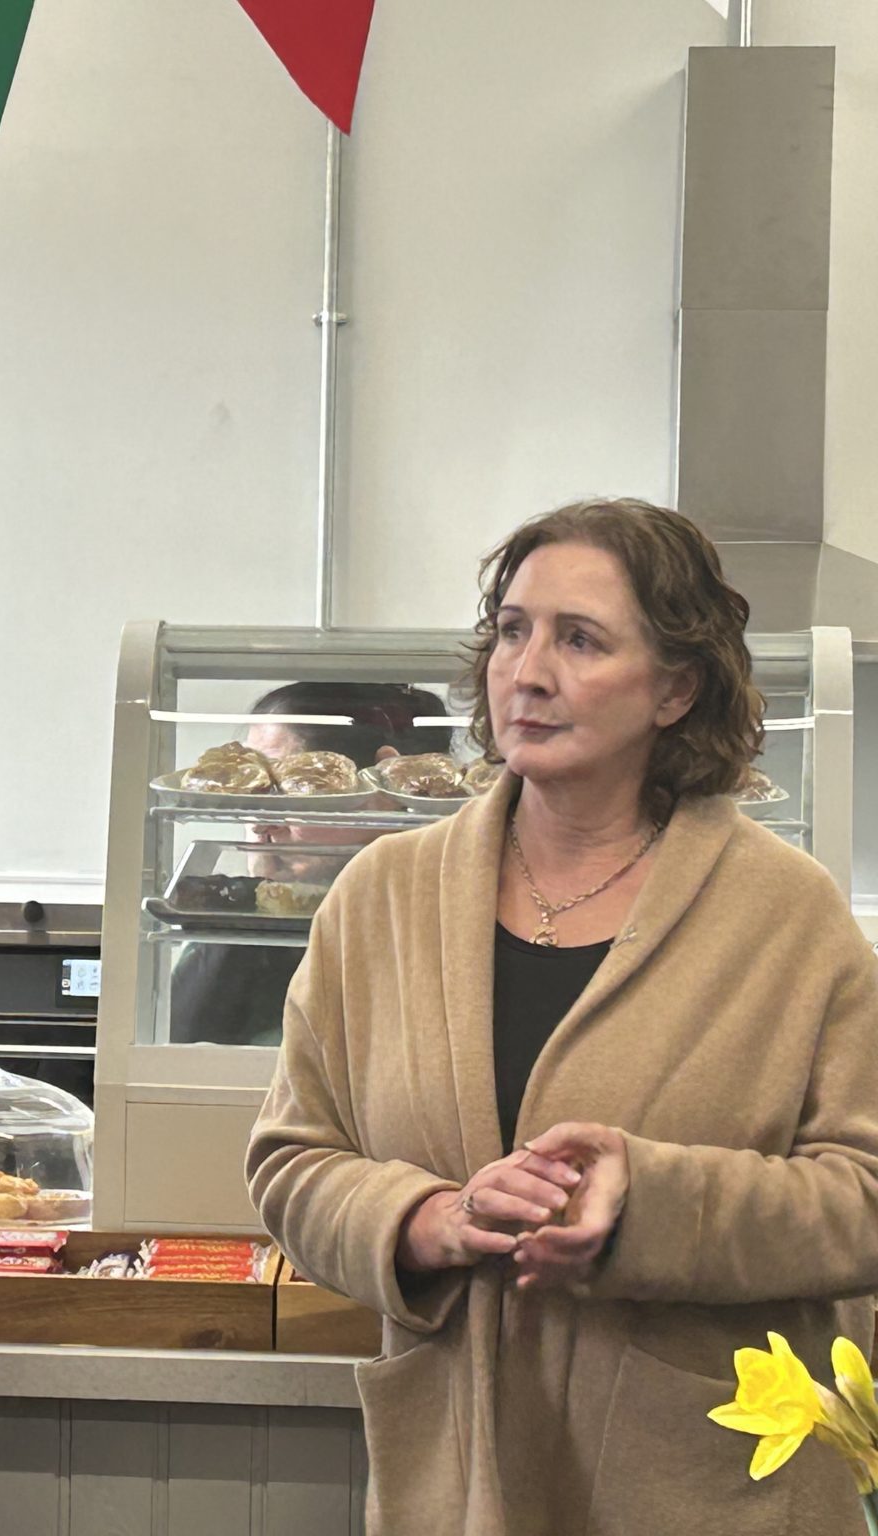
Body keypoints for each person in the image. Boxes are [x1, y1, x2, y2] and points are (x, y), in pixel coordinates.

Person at [247, 498, 878, 1535]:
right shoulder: (381, 897)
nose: (524, 671)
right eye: (510, 630)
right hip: (455, 1490)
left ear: (674, 688)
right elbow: (290, 1162)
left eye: (577, 639)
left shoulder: (786, 914)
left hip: (709, 1495)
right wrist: (425, 1218)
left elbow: (862, 1196)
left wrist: (651, 1205)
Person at [169, 682, 452, 1046]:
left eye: (290, 789)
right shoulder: (240, 926)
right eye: (251, 789)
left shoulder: (440, 923)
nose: (259, 823)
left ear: (384, 785)